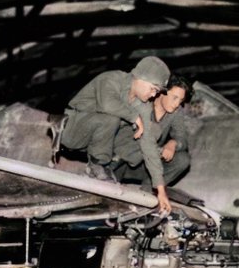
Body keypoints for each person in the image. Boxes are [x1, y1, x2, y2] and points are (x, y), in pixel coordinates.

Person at [60, 56, 173, 214]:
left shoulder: (143, 105)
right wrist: (134, 117)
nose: (154, 95)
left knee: (153, 131)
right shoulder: (111, 79)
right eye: (153, 88)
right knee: (111, 117)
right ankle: (97, 165)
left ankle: (112, 162)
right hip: (74, 132)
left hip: (102, 139)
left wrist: (160, 190)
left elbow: (148, 145)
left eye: (157, 91)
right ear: (141, 78)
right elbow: (108, 104)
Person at [109, 75, 192, 188]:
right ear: (163, 91)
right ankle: (109, 172)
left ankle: (148, 187)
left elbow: (182, 138)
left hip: (147, 166)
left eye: (181, 100)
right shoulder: (144, 101)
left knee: (183, 160)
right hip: (123, 162)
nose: (177, 104)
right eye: (175, 97)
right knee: (152, 130)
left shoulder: (176, 112)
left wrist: (173, 144)